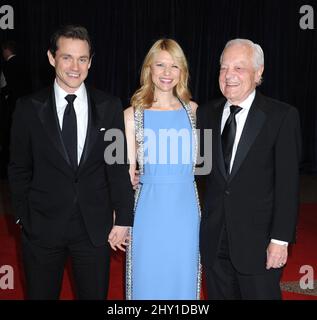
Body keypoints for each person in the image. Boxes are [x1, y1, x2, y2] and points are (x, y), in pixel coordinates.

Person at [8, 25, 134, 299]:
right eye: (67, 57)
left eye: (82, 59)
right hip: (42, 228)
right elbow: (18, 168)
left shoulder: (109, 106)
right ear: (52, 58)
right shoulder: (28, 108)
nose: (75, 66)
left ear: (91, 61)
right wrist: (23, 217)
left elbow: (116, 166)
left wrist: (124, 218)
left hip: (93, 229)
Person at [197, 39, 301, 299]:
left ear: (259, 72)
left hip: (259, 246)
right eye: (223, 68)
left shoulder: (281, 116)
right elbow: (199, 170)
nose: (229, 75)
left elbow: (288, 186)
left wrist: (280, 240)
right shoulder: (206, 114)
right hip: (214, 242)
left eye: (239, 68)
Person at [124, 39, 201, 299]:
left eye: (174, 66)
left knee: (183, 278)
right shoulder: (132, 115)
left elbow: (208, 165)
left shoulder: (194, 112)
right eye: (160, 65)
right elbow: (123, 173)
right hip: (148, 210)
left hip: (186, 210)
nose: (167, 73)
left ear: (183, 71)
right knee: (147, 279)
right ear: (149, 69)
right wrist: (119, 218)